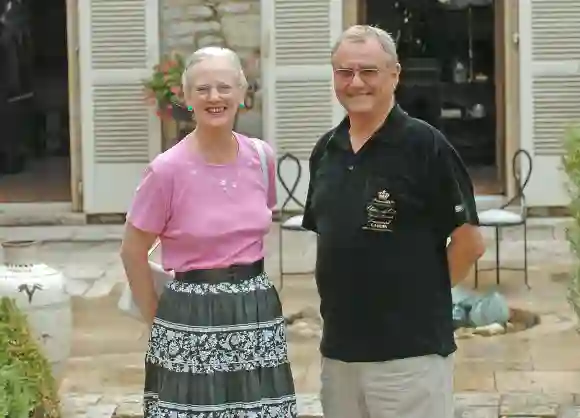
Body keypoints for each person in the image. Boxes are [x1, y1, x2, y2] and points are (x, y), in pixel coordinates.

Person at [302, 25, 485, 418]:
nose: (355, 83)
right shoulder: (326, 151)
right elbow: (334, 241)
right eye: (344, 72)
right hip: (340, 357)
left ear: (394, 75)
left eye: (368, 71)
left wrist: (418, 299)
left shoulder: (426, 146)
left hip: (409, 356)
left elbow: (470, 241)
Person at [120, 47, 297, 418]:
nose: (214, 97)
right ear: (186, 98)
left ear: (242, 92)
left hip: (256, 309)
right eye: (202, 89)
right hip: (190, 314)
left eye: (224, 87)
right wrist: (158, 320)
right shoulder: (166, 170)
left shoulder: (262, 157)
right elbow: (132, 251)